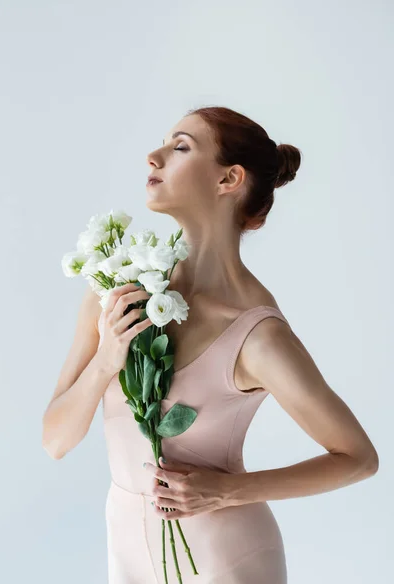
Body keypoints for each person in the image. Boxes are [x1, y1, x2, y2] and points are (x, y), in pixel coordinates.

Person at [42, 106, 379, 583]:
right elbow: (55, 441)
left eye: (180, 147)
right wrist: (104, 362)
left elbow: (358, 458)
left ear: (229, 179)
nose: (153, 157)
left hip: (226, 560)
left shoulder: (256, 335)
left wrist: (227, 492)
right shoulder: (118, 293)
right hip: (127, 554)